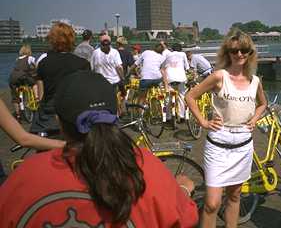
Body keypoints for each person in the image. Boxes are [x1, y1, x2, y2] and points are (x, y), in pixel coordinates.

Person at [0, 71, 198, 227]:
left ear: (59, 122)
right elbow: (184, 219)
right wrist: (181, 189)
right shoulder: (146, 168)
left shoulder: (25, 177)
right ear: (115, 116)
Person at [185, 30, 267, 227]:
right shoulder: (220, 76)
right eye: (234, 50)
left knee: (235, 196)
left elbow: (262, 104)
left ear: (250, 53)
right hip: (218, 146)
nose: (239, 55)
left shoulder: (254, 80)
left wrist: (254, 119)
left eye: (244, 50)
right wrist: (204, 122)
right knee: (212, 203)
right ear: (227, 53)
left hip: (243, 146)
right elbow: (190, 96)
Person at [31, 22, 90, 134]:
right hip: (73, 116)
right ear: (71, 39)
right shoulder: (83, 64)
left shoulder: (43, 63)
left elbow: (41, 95)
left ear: (52, 40)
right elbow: (84, 95)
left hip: (49, 118)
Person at [8, 44, 38, 121]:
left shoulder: (18, 59)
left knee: (15, 97)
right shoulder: (30, 58)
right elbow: (36, 65)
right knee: (34, 84)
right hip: (22, 76)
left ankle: (18, 115)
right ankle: (37, 98)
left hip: (12, 77)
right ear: (29, 51)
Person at [162, 42, 190, 122]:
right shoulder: (183, 54)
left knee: (168, 98)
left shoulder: (167, 55)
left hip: (169, 78)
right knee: (181, 96)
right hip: (181, 78)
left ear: (172, 49)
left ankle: (168, 117)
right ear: (180, 49)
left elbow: (163, 67)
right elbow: (187, 67)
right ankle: (181, 116)